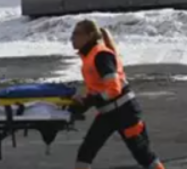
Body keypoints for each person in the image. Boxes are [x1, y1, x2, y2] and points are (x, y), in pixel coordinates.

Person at [68, 19, 165, 169]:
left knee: (144, 156)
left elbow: (114, 88)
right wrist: (83, 104)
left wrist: (92, 101)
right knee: (86, 152)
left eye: (76, 34)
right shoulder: (90, 57)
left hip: (125, 112)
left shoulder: (101, 55)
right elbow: (97, 89)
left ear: (89, 35)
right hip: (108, 113)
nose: (72, 38)